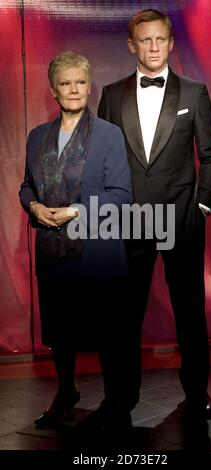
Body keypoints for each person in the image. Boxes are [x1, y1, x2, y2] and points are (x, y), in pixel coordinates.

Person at [98, 9, 211, 421]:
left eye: (160, 40)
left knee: (189, 311)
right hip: (130, 221)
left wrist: (202, 203)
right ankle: (121, 397)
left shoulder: (194, 92)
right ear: (132, 45)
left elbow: (210, 153)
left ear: (170, 44)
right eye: (145, 40)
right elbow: (103, 158)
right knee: (123, 316)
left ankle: (197, 393)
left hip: (181, 220)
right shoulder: (112, 95)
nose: (153, 47)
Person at [19, 51, 132, 429]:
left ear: (89, 86)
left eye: (80, 82)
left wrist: (75, 212)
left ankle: (116, 405)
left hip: (96, 251)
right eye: (65, 83)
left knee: (106, 333)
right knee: (60, 331)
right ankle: (66, 393)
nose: (73, 89)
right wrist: (34, 207)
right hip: (53, 251)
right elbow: (25, 187)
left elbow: (121, 195)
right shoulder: (37, 137)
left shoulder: (109, 134)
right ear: (54, 90)